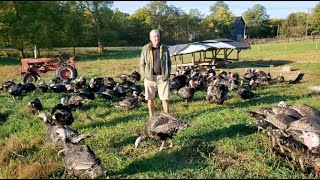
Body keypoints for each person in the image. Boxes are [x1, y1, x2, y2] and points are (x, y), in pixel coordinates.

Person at [140, 29, 172, 117]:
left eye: (158, 36)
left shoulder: (164, 47)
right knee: (150, 98)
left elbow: (169, 62)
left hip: (162, 77)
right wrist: (144, 76)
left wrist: (167, 74)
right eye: (154, 36)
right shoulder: (146, 48)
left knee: (164, 98)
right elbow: (142, 63)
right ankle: (151, 116)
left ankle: (167, 116)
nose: (157, 38)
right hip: (150, 77)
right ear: (150, 38)